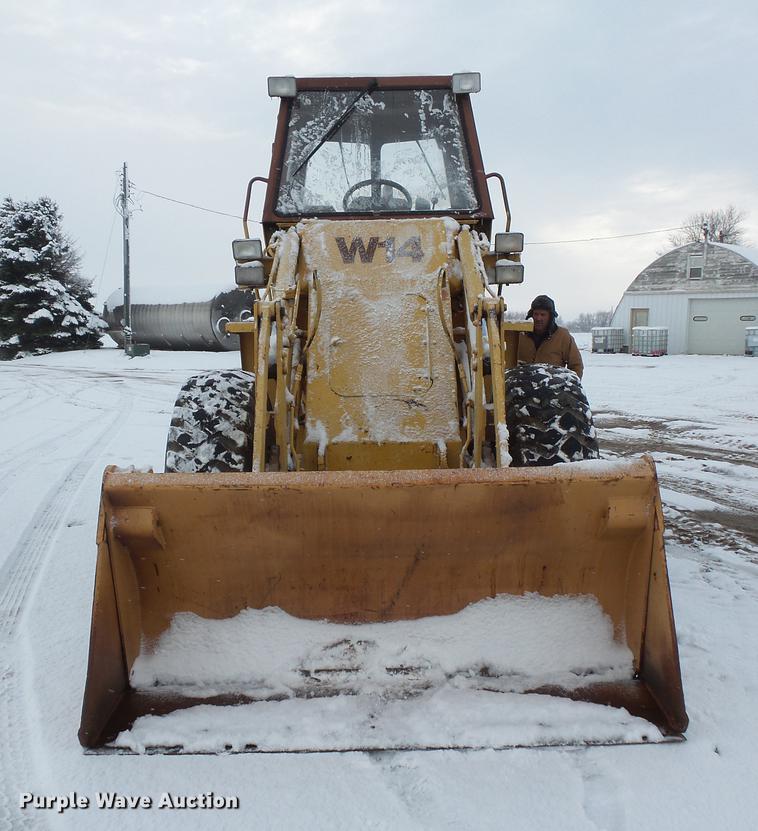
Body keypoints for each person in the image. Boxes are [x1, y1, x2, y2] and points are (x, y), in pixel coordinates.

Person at [516, 294, 584, 378]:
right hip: (522, 387)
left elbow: (576, 366)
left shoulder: (563, 336)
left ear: (550, 317)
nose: (538, 318)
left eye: (543, 314)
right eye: (536, 314)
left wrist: (569, 387)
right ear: (531, 315)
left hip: (553, 389)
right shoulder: (520, 335)